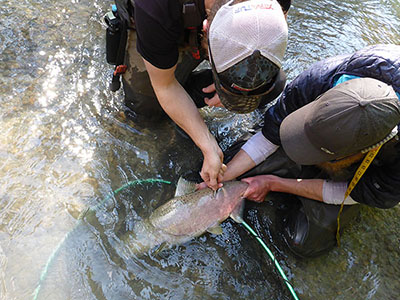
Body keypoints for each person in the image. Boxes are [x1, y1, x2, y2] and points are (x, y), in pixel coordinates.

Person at [220, 44, 400, 257]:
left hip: (372, 164)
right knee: (236, 166)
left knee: (301, 241)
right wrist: (223, 176)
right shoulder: (316, 82)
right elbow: (270, 135)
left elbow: (361, 191)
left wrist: (274, 184)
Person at [113, 0, 290, 190]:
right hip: (158, 22)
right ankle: (177, 87)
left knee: (275, 83)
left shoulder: (277, 3)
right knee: (146, 113)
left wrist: (231, 83)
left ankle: (186, 98)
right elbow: (164, 86)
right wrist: (208, 145)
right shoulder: (156, 8)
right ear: (205, 29)